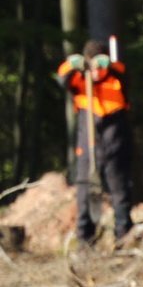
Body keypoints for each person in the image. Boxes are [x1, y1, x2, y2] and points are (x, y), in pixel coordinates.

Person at [54, 39, 135, 244]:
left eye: (100, 66)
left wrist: (107, 63)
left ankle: (123, 233)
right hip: (88, 143)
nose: (97, 71)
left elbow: (122, 71)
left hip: (115, 142)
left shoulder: (117, 78)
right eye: (93, 66)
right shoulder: (79, 82)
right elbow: (62, 78)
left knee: (119, 189)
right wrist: (73, 64)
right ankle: (85, 238)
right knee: (84, 191)